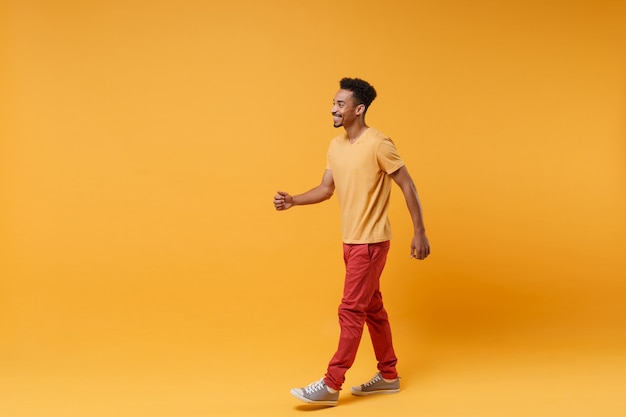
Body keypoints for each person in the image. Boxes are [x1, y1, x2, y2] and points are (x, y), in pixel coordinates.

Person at [273, 77, 430, 407]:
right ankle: (389, 376)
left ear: (358, 110)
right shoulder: (336, 145)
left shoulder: (379, 143)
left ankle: (331, 384)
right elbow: (326, 189)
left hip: (371, 244)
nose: (333, 108)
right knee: (372, 309)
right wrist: (294, 200)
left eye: (340, 104)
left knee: (350, 310)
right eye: (333, 103)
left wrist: (419, 231)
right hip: (351, 242)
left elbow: (407, 185)